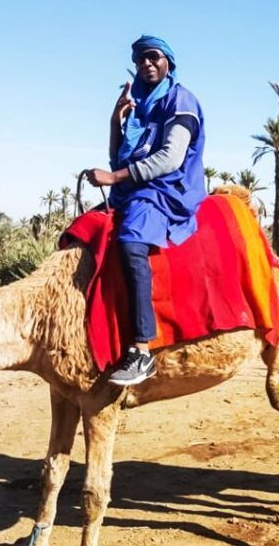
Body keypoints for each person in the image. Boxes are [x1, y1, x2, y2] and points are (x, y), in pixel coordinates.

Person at [85, 35, 205, 386]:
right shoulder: (137, 105)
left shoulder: (180, 100)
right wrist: (115, 121)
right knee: (86, 230)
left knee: (131, 244)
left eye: (153, 57)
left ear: (168, 62)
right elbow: (118, 158)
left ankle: (141, 350)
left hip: (165, 189)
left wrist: (114, 178)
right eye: (140, 60)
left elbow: (170, 158)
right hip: (133, 188)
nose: (146, 64)